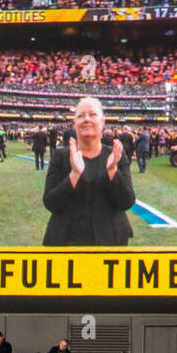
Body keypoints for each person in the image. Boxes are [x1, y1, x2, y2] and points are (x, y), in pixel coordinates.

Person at [42, 97, 136, 246]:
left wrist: (112, 171)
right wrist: (74, 175)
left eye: (92, 115)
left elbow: (126, 201)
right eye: (81, 116)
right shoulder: (60, 156)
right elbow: (51, 203)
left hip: (111, 243)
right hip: (65, 243)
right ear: (74, 123)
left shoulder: (116, 155)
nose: (86, 119)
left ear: (103, 121)